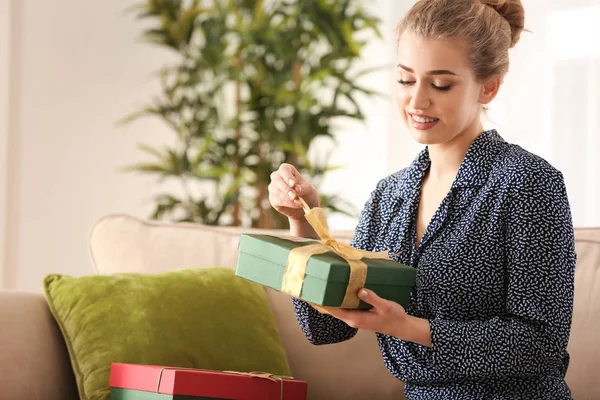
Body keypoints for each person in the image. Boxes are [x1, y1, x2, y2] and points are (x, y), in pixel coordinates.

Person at [268, 0, 576, 398]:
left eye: (440, 84)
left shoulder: (527, 184)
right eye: (405, 79)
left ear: (489, 86)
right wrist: (303, 221)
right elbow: (326, 328)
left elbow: (542, 348)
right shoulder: (389, 195)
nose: (416, 101)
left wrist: (408, 327)